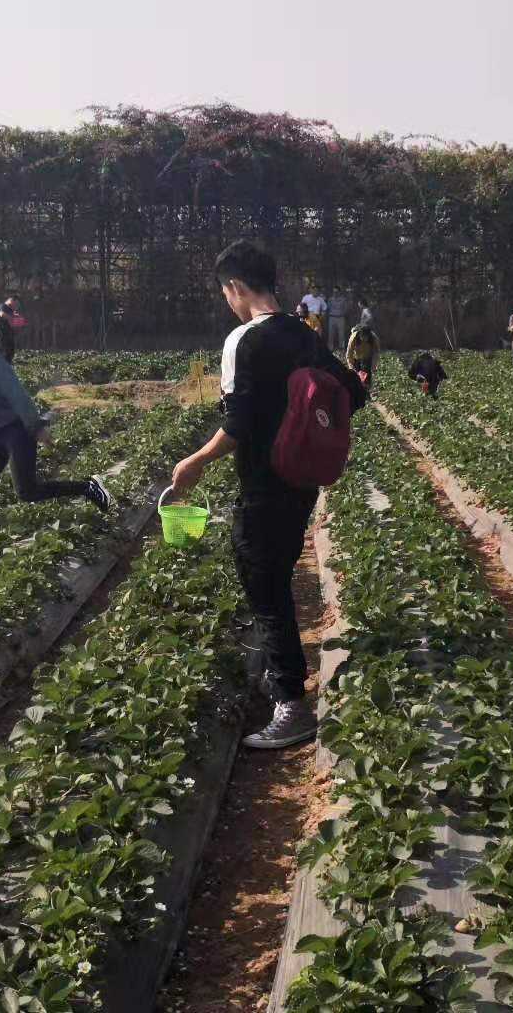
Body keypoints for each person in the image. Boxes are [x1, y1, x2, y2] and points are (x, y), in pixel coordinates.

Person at [167, 241, 366, 750]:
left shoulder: (245, 339)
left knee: (264, 582)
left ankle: (289, 702)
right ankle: (282, 676)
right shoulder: (305, 333)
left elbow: (237, 426)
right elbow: (354, 391)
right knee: (275, 574)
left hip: (263, 481)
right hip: (301, 480)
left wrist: (192, 464)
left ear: (235, 287)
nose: (227, 302)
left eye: (225, 293)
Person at [0, 308, 111, 532]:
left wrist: (35, 427)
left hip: (14, 430)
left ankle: (88, 487)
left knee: (27, 491)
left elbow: (15, 392)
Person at [345, 317, 380, 387]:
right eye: (362, 337)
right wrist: (351, 367)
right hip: (356, 358)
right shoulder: (353, 337)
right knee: (356, 378)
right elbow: (349, 353)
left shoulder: (374, 338)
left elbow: (376, 353)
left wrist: (374, 365)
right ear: (360, 334)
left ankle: (367, 390)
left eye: (365, 338)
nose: (363, 339)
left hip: (367, 358)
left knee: (367, 377)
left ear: (368, 336)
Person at [0, 297, 23, 362]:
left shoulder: (12, 310)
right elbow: (1, 314)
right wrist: (12, 318)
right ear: (11, 300)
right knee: (4, 353)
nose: (16, 306)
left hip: (10, 334)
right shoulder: (3, 306)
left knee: (10, 353)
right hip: (3, 334)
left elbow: (18, 320)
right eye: (16, 304)